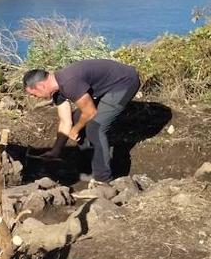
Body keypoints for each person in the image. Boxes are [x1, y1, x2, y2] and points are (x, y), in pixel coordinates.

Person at [23, 59, 141, 194]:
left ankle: (102, 180)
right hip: (107, 87)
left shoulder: (69, 82)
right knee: (76, 118)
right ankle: (90, 165)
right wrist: (56, 151)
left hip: (125, 82)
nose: (35, 97)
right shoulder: (58, 91)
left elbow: (90, 112)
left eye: (33, 94)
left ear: (41, 86)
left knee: (95, 127)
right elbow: (66, 122)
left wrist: (77, 128)